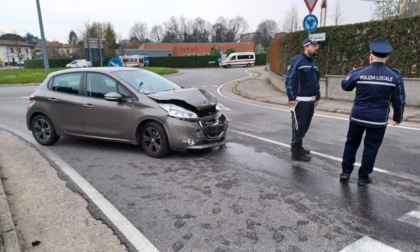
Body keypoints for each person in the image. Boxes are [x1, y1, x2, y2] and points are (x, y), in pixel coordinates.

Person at [340, 39, 406, 186]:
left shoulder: (360, 73)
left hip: (357, 117)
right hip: (378, 120)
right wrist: (398, 117)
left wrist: (351, 72)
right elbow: (399, 100)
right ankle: (363, 177)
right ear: (387, 57)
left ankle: (345, 173)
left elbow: (345, 86)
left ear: (371, 55)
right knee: (371, 147)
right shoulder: (394, 76)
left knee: (351, 144)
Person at [285, 38, 321, 161]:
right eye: (314, 45)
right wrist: (291, 98)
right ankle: (296, 151)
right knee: (298, 126)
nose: (316, 48)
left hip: (311, 100)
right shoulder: (297, 61)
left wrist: (318, 96)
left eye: (317, 46)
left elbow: (316, 81)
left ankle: (299, 146)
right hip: (300, 101)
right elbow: (289, 80)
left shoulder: (313, 63)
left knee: (305, 126)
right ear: (306, 47)